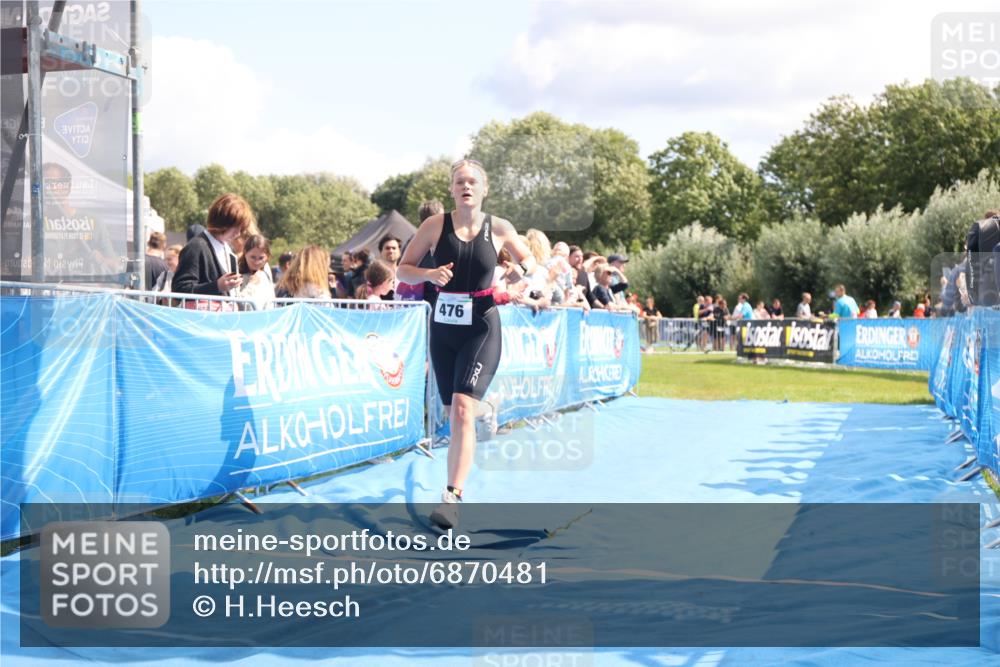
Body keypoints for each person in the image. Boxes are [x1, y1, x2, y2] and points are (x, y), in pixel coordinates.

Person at [396, 159, 534, 529]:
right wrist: (429, 273)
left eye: (473, 181)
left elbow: (530, 260)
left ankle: (451, 498)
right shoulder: (434, 226)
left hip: (482, 327)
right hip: (444, 328)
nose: (466, 186)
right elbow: (401, 269)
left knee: (459, 409)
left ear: (484, 189)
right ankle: (485, 410)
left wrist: (523, 272)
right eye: (459, 182)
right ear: (452, 190)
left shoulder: (500, 227)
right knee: (451, 411)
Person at [173, 194, 255, 308]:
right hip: (201, 321)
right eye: (236, 227)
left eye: (241, 229)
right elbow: (179, 289)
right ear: (223, 221)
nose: (238, 233)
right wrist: (216, 286)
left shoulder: (228, 248)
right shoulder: (196, 247)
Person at [234, 234, 276, 310]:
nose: (256, 262)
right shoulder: (237, 275)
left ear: (267, 257)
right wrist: (251, 284)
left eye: (261, 258)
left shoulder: (265, 273)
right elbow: (238, 303)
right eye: (253, 257)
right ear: (245, 254)